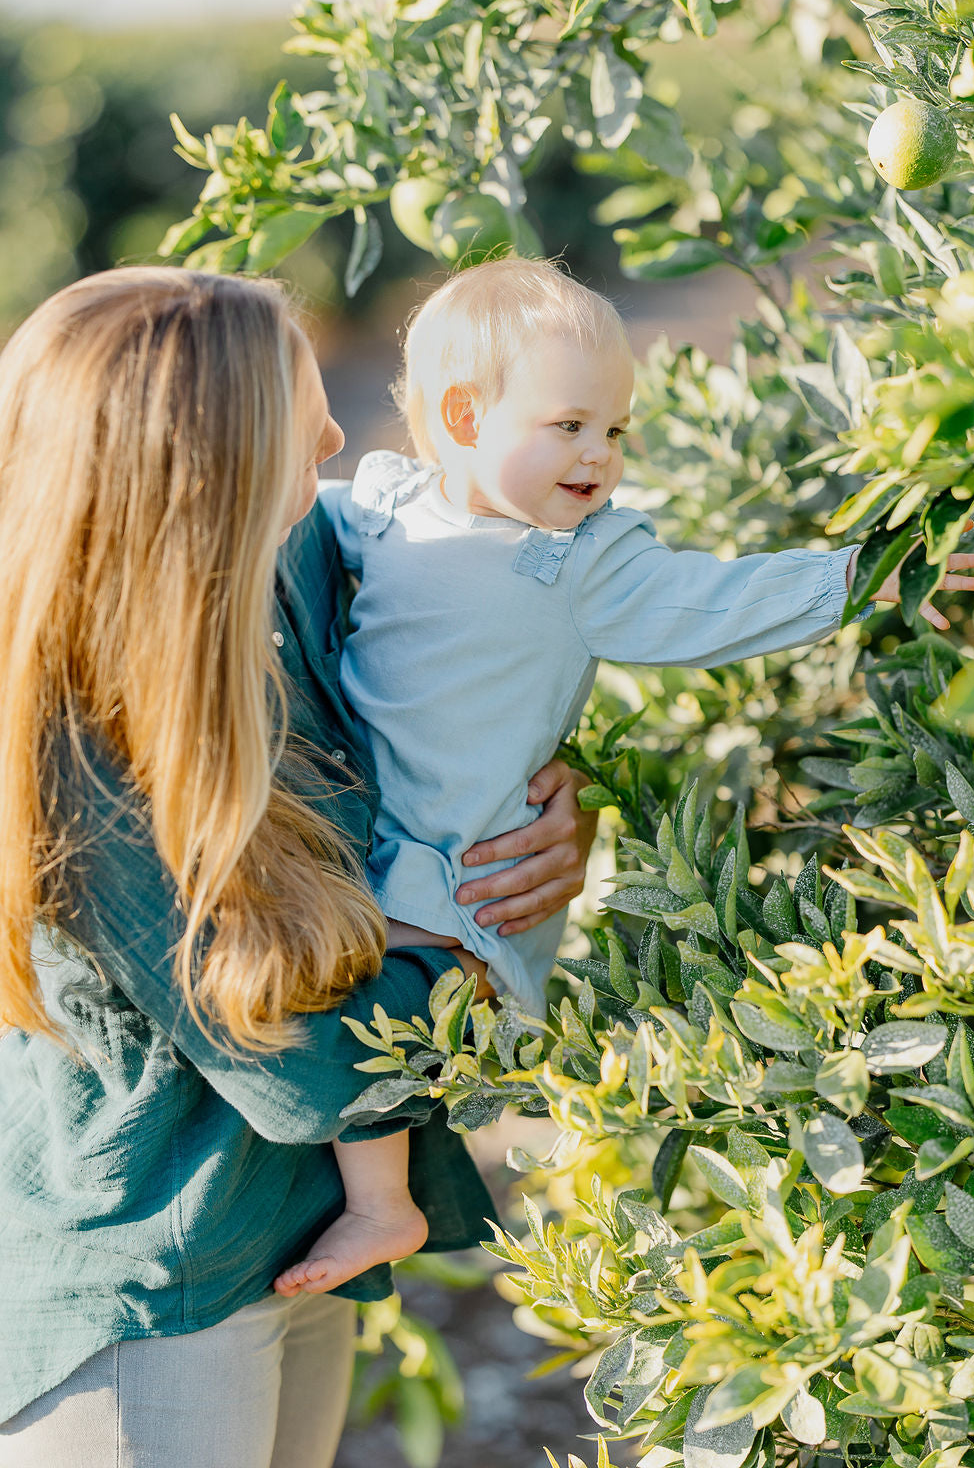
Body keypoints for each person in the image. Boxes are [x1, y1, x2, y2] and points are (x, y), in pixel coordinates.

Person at [274, 254, 974, 1300]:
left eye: (615, 430)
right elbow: (300, 517)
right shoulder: (385, 508)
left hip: (459, 873)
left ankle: (385, 1205)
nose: (600, 457)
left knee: (365, 1000)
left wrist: (872, 575)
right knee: (343, 988)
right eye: (569, 426)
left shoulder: (579, 564)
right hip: (370, 843)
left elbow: (720, 600)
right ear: (463, 417)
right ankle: (383, 1191)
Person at [0, 266, 598, 1468]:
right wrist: (472, 936)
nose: (336, 437)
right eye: (298, 415)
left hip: (295, 1235)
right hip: (154, 1284)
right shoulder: (86, 745)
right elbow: (301, 1058)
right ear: (198, 476)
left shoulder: (291, 570)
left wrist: (534, 827)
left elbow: (466, 651)